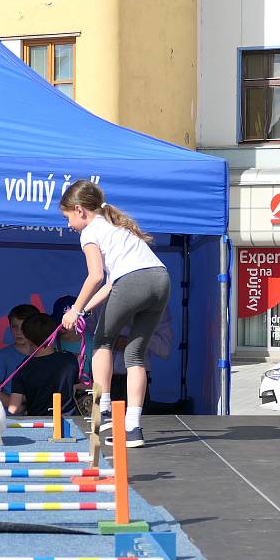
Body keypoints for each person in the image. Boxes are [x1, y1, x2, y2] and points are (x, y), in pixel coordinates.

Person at [59, 180, 170, 448]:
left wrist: (74, 310)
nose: (68, 225)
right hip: (161, 280)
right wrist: (83, 309)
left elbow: (95, 276)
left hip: (134, 282)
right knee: (135, 355)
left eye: (68, 218)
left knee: (101, 341)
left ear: (79, 210)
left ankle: (104, 407)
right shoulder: (116, 225)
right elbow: (111, 285)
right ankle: (133, 428)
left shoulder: (90, 232)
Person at [7, 313, 79, 416]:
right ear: (53, 336)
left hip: (39, 424)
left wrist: (27, 405)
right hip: (68, 423)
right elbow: (73, 390)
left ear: (28, 339)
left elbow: (13, 408)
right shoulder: (70, 359)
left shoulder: (23, 367)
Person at [110, 305, 172, 411]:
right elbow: (85, 335)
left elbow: (165, 350)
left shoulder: (157, 304)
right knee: (103, 424)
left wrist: (139, 337)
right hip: (105, 379)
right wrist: (112, 342)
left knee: (136, 423)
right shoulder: (105, 298)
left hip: (136, 379)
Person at [0, 303, 39, 406]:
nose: (19, 332)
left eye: (23, 326)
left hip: (43, 417)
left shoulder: (47, 353)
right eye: (14, 326)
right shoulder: (3, 356)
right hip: (11, 419)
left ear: (35, 327)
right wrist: (17, 405)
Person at [51, 294, 93, 384]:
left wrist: (75, 388)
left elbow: (99, 386)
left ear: (80, 320)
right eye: (59, 322)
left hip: (83, 395)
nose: (62, 326)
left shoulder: (92, 343)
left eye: (68, 322)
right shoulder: (50, 343)